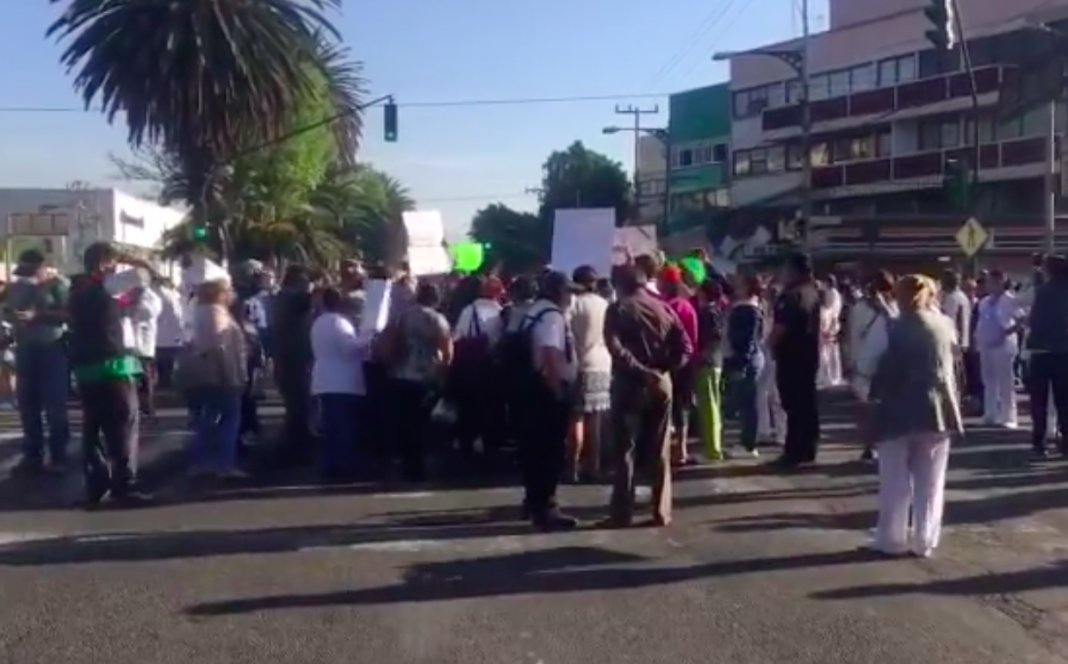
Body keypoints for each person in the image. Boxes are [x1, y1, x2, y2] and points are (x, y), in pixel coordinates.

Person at [867, 275, 962, 558]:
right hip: (939, 408)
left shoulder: (894, 327)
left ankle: (891, 538)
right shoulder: (945, 324)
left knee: (895, 477)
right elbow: (954, 360)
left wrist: (871, 397)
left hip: (899, 407)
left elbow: (882, 368)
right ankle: (925, 539)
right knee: (931, 479)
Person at [602, 265, 692, 528]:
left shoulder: (618, 309)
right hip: (662, 382)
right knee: (660, 448)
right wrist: (665, 369)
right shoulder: (664, 307)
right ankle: (661, 511)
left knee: (625, 449)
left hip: (631, 385)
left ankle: (622, 513)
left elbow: (615, 348)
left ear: (619, 285)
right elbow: (685, 346)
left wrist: (642, 372)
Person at [67, 242, 153, 507]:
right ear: (105, 264)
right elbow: (143, 275)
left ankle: (97, 485)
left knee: (93, 430)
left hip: (85, 368)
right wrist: (134, 258)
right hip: (112, 366)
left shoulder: (76, 291)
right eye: (115, 264)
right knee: (123, 427)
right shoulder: (103, 287)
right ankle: (124, 485)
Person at [3, 249, 71, 476]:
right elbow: (8, 313)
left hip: (52, 349)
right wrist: (11, 321)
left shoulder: (57, 285)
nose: (28, 275)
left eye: (32, 270)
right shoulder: (15, 288)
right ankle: (33, 454)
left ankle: (59, 455)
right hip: (25, 349)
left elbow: (69, 315)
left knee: (55, 406)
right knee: (27, 405)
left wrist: (38, 315)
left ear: (43, 267)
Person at [379, 281, 453, 482]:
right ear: (435, 299)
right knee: (421, 423)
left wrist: (390, 365)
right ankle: (419, 467)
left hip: (402, 375)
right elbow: (447, 351)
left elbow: (388, 345)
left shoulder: (402, 317)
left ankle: (406, 465)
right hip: (426, 377)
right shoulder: (437, 319)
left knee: (405, 423)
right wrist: (443, 374)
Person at [183, 278, 247, 480]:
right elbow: (220, 347)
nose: (231, 294)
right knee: (230, 419)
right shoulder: (216, 313)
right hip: (221, 376)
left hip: (203, 376)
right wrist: (232, 377)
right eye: (228, 290)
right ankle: (224, 464)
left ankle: (202, 462)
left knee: (207, 419)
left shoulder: (199, 312)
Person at [311, 287, 372, 480]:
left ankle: (330, 464)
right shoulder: (340, 323)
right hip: (343, 381)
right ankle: (344, 466)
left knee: (331, 427)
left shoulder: (318, 322)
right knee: (344, 427)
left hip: (324, 379)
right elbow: (348, 348)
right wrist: (368, 338)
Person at [768, 252, 822, 469]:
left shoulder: (791, 296)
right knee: (808, 403)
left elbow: (781, 329)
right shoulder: (814, 293)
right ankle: (809, 447)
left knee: (793, 405)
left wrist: (770, 344)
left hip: (791, 357)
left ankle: (794, 451)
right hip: (809, 355)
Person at [566, 265, 612, 482]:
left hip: (580, 364)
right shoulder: (605, 304)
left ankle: (572, 467)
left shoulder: (573, 305)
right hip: (602, 364)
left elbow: (565, 333)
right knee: (596, 419)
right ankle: (593, 466)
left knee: (576, 418)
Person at [847, 270, 897, 461]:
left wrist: (851, 361)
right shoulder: (866, 308)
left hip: (877, 362)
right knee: (872, 407)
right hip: (876, 363)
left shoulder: (892, 308)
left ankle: (876, 444)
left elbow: (853, 337)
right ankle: (874, 444)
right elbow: (853, 335)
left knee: (873, 406)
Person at [1025, 255, 1068, 459]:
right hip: (1064, 352)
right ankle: (1065, 441)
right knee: (1064, 402)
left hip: (1041, 351)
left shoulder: (1042, 292)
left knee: (1039, 402)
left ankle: (1039, 442)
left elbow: (1034, 321)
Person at [659, 265, 698, 466]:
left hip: (668, 363)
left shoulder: (665, 306)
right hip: (686, 363)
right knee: (682, 407)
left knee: (667, 407)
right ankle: (681, 449)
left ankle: (667, 448)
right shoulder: (687, 305)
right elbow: (694, 338)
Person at [724, 272, 766, 457]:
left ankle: (749, 444)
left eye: (740, 283)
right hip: (750, 357)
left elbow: (747, 339)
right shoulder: (751, 307)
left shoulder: (747, 309)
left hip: (746, 359)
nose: (736, 287)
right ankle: (748, 442)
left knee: (747, 403)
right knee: (747, 402)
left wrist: (740, 363)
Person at [974, 270, 1021, 428]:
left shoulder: (1010, 300)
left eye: (992, 282)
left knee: (1006, 382)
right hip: (986, 344)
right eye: (988, 282)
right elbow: (981, 322)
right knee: (988, 380)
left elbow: (1021, 320)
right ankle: (990, 413)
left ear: (1001, 282)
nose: (989, 285)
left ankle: (1009, 417)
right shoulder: (984, 302)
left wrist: (1006, 332)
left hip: (1003, 345)